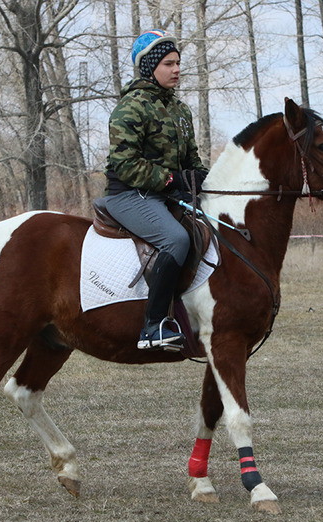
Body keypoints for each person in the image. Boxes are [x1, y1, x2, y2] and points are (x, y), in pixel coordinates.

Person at [103, 30, 208, 351]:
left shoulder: (181, 111)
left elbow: (192, 159)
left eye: (178, 63)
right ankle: (153, 325)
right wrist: (171, 180)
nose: (177, 69)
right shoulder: (130, 108)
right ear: (150, 68)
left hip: (168, 195)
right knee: (175, 239)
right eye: (168, 63)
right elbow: (124, 164)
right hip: (128, 195)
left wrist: (202, 178)